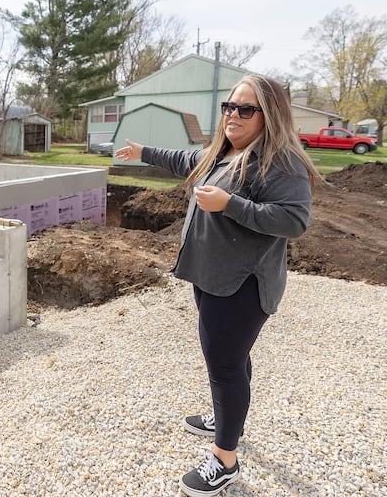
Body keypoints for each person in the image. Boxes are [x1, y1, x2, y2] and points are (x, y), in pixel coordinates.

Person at [115, 74, 322, 496]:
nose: (233, 114)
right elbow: (183, 158)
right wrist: (142, 152)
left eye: (246, 109)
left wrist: (231, 204)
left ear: (270, 115)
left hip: (242, 284)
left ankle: (225, 459)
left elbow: (294, 221)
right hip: (211, 276)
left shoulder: (281, 162)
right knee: (232, 358)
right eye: (229, 106)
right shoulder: (224, 152)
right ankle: (226, 416)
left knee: (225, 365)